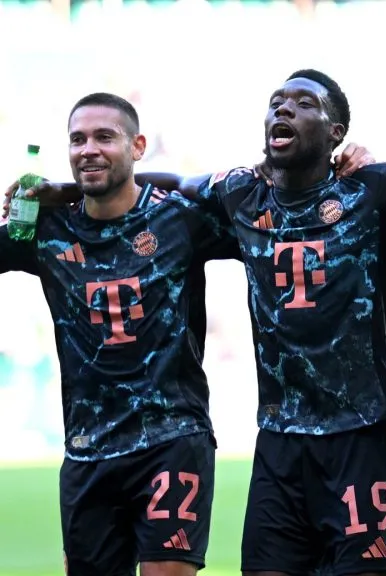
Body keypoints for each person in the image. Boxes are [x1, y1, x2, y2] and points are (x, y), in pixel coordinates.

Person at [7, 71, 386, 576]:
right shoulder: (238, 195)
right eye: (276, 101)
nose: (283, 109)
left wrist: (382, 157)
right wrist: (65, 190)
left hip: (347, 431)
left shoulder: (372, 189)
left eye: (302, 103)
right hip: (265, 439)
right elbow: (174, 184)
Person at [0, 93, 237, 575]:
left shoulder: (181, 219)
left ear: (138, 146)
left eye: (104, 137)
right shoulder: (47, 231)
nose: (89, 148)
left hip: (171, 438)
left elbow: (272, 211)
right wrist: (44, 199)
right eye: (78, 139)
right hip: (88, 450)